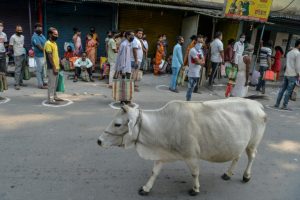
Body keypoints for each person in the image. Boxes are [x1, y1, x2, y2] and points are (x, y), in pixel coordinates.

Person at [274, 39, 300, 111]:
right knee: (289, 91)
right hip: (293, 74)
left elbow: (286, 64)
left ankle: (277, 103)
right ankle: (284, 105)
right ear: (299, 45)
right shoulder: (298, 53)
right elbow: (298, 66)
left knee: (282, 89)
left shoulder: (289, 53)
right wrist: (298, 74)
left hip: (286, 73)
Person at [44, 27, 64, 105]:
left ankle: (54, 96)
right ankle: (50, 99)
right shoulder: (48, 44)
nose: (56, 36)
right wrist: (54, 67)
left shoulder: (54, 43)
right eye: (55, 34)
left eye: (57, 34)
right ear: (50, 34)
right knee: (51, 84)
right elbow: (50, 57)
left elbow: (56, 55)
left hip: (56, 66)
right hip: (51, 67)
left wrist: (60, 62)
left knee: (55, 84)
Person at [186, 36, 205, 101]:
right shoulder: (192, 50)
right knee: (190, 89)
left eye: (201, 42)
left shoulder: (200, 51)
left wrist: (200, 61)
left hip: (197, 73)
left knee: (192, 87)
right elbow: (197, 61)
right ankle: (188, 101)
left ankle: (188, 101)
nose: (200, 43)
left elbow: (203, 61)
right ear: (195, 41)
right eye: (199, 42)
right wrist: (200, 61)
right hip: (192, 73)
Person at [9, 25, 26, 90]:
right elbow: (10, 46)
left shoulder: (22, 37)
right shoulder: (13, 37)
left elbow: (23, 45)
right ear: (16, 30)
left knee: (22, 69)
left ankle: (20, 81)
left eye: (21, 30)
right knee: (17, 70)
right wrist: (11, 54)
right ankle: (16, 84)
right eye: (18, 30)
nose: (20, 31)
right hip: (17, 55)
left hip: (23, 54)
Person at [31, 23, 47, 89]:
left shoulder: (42, 36)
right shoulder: (34, 37)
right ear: (35, 29)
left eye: (41, 27)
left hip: (44, 56)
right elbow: (40, 47)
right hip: (38, 56)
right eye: (38, 27)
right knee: (39, 71)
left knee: (43, 70)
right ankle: (40, 85)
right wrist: (48, 51)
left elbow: (46, 44)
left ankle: (43, 82)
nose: (40, 29)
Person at [0, 21, 8, 100]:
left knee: (2, 73)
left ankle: (1, 90)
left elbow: (6, 43)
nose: (0, 27)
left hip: (2, 54)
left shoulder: (4, 34)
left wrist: (5, 50)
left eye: (1, 25)